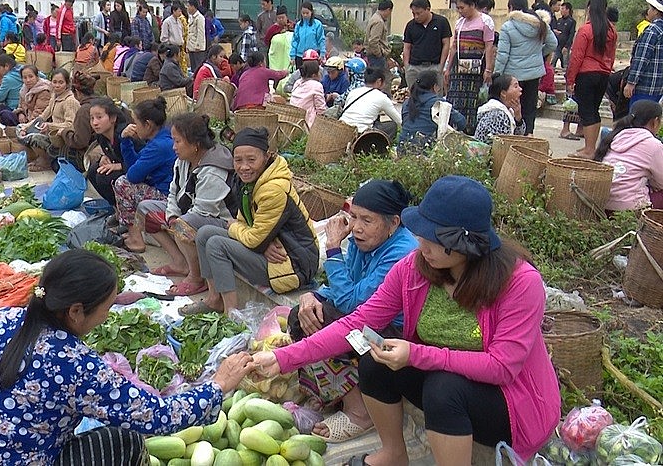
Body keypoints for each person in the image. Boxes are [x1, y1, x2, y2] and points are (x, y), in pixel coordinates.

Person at [253, 175, 561, 465]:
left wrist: (416, 354)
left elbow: (502, 367)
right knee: (375, 359)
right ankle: (393, 454)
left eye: (431, 237)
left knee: (444, 388)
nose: (420, 244)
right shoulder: (415, 268)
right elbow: (357, 322)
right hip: (448, 381)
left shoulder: (519, 283)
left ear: (461, 243)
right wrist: (282, 359)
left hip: (510, 404)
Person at [0, 248, 253, 464]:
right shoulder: (76, 365)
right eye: (107, 308)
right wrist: (218, 385)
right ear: (77, 311)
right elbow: (157, 417)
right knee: (124, 441)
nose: (107, 317)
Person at [289, 180, 417, 443]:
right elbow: (343, 284)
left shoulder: (402, 253)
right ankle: (334, 395)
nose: (356, 227)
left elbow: (352, 303)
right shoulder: (365, 242)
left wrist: (334, 248)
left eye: (367, 220)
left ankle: (360, 412)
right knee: (302, 316)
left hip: (393, 336)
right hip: (364, 320)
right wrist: (311, 295)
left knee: (327, 325)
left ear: (393, 223)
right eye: (354, 217)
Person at [184, 127, 318, 315]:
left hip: (292, 264)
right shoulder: (247, 181)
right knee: (205, 233)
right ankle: (214, 299)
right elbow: (245, 223)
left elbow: (252, 237)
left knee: (216, 244)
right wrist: (261, 242)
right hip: (272, 249)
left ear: (266, 156)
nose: (244, 167)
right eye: (238, 160)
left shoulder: (273, 189)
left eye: (251, 160)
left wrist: (259, 241)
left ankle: (232, 316)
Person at [136, 112, 235, 294]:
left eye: (178, 141)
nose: (174, 147)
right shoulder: (183, 161)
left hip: (220, 221)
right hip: (188, 213)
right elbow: (173, 191)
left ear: (195, 144)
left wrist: (177, 221)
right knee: (145, 210)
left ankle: (196, 278)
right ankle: (180, 263)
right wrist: (172, 214)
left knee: (184, 225)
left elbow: (203, 211)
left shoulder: (214, 170)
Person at [111, 97, 177, 252]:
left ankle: (136, 238)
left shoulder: (159, 146)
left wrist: (125, 141)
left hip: (168, 196)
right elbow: (135, 166)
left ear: (148, 125)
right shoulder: (160, 138)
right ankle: (136, 232)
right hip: (164, 190)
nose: (133, 126)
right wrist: (125, 141)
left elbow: (132, 175)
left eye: (136, 122)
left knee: (122, 183)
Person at [494, 0, 557, 136]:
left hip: (513, 75)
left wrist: (497, 74)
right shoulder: (540, 24)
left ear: (511, 7)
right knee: (530, 105)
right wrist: (538, 56)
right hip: (534, 74)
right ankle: (529, 133)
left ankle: (514, 133)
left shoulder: (508, 26)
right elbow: (553, 43)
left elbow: (503, 54)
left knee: (513, 105)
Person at [565, 0, 618, 160]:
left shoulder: (586, 30)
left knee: (586, 111)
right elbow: (612, 54)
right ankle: (590, 147)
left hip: (586, 74)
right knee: (594, 111)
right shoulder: (611, 31)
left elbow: (577, 57)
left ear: (589, 9)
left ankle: (589, 150)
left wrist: (570, 79)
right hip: (603, 74)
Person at [595, 99, 663, 210]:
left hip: (603, 203)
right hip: (629, 208)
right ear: (655, 122)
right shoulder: (653, 144)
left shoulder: (616, 135)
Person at [445, 0, 496, 134]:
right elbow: (454, 47)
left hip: (476, 70)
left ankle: (470, 132)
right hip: (458, 68)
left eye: (462, 7)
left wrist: (488, 70)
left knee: (472, 102)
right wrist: (448, 69)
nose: (460, 11)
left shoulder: (485, 21)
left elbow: (489, 47)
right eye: (458, 8)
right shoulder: (459, 23)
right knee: (454, 100)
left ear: (472, 5)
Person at [18, 68, 81, 172]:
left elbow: (71, 125)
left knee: (33, 138)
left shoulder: (69, 101)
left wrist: (50, 126)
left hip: (62, 138)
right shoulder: (55, 97)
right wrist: (26, 126)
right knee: (21, 129)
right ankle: (40, 158)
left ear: (67, 84)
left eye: (61, 82)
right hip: (52, 132)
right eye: (54, 82)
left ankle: (46, 161)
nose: (57, 85)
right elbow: (43, 116)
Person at [399, 70, 465, 155]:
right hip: (425, 152)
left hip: (403, 149)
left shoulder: (407, 103)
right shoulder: (438, 103)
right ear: (434, 87)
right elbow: (461, 123)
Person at [87, 97, 131, 205]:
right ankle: (116, 208)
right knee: (93, 170)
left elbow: (142, 160)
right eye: (92, 118)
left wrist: (120, 166)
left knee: (104, 177)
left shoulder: (126, 134)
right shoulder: (101, 136)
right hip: (124, 168)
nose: (95, 123)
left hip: (135, 171)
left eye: (99, 117)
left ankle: (125, 210)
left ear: (113, 118)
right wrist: (105, 158)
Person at [402, 0, 451, 91]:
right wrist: (407, 67)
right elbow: (407, 47)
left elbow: (446, 44)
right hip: (414, 67)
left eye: (419, 13)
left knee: (435, 99)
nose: (416, 16)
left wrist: (441, 66)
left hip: (434, 66)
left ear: (428, 9)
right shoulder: (410, 25)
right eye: (413, 13)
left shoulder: (441, 22)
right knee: (414, 97)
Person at [340, 67, 403, 138]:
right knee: (392, 125)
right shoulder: (382, 97)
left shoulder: (353, 92)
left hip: (343, 128)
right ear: (379, 81)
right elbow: (398, 121)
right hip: (361, 132)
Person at [625, 0, 663, 106]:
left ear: (656, 11)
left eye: (650, 8)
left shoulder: (652, 30)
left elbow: (641, 59)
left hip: (645, 88)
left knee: (638, 121)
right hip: (659, 89)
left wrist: (631, 83)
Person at [474, 73, 526, 143]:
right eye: (516, 87)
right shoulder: (498, 115)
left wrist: (518, 117)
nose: (520, 89)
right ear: (503, 93)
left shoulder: (508, 111)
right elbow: (503, 145)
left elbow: (518, 137)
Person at [367, 0, 394, 92]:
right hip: (376, 57)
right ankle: (384, 100)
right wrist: (380, 54)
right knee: (384, 80)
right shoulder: (378, 22)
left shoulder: (375, 18)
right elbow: (373, 41)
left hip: (374, 56)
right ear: (388, 10)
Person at [290, 60, 326, 127]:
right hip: (308, 122)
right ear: (314, 75)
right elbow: (321, 109)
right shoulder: (316, 85)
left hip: (293, 119)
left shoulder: (298, 82)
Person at [290, 1, 325, 69]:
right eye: (303, 13)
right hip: (300, 56)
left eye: (307, 13)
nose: (305, 15)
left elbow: (321, 40)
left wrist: (322, 54)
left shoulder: (317, 24)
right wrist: (292, 56)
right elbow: (295, 41)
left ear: (311, 12)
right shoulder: (298, 25)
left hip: (313, 57)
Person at [267, 7, 293, 72]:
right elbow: (267, 40)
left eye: (283, 17)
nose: (281, 19)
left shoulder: (293, 26)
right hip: (276, 57)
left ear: (287, 17)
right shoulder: (273, 29)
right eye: (279, 18)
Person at [552, 2, 576, 69]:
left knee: (565, 64)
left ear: (567, 10)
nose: (561, 10)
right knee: (553, 62)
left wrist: (567, 46)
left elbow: (571, 34)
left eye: (563, 8)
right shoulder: (559, 20)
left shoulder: (571, 21)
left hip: (565, 46)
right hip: (558, 45)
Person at [186, 0, 207, 74]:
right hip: (191, 46)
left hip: (197, 48)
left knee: (198, 68)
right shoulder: (191, 17)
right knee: (193, 69)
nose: (187, 8)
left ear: (193, 7)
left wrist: (198, 46)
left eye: (188, 6)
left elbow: (201, 33)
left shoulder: (200, 17)